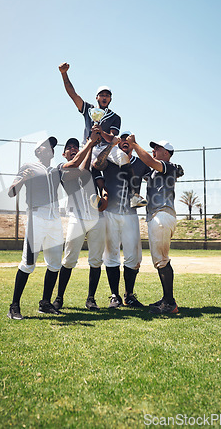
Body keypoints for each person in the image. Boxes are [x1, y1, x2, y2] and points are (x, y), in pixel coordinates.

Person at [7, 130, 100, 319]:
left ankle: (45, 303)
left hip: (54, 219)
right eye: (46, 145)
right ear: (38, 151)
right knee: (28, 263)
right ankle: (14, 306)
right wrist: (23, 179)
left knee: (55, 264)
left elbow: (74, 164)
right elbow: (11, 192)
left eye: (52, 145)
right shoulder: (29, 166)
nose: (50, 147)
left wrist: (90, 144)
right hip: (36, 218)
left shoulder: (57, 169)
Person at [58, 62, 146, 208]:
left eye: (107, 95)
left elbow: (113, 139)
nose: (104, 97)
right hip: (88, 146)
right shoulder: (88, 109)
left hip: (107, 147)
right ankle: (92, 197)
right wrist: (64, 74)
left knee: (124, 158)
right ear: (97, 97)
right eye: (102, 95)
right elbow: (73, 94)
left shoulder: (115, 117)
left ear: (110, 99)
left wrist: (100, 131)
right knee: (83, 170)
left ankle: (134, 196)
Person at [126, 135, 184, 314]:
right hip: (156, 217)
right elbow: (140, 166)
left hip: (162, 215)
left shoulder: (169, 166)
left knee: (161, 261)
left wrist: (134, 145)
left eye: (157, 148)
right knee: (160, 260)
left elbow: (149, 161)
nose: (153, 151)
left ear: (166, 153)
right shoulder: (153, 171)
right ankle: (166, 299)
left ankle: (170, 304)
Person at [93, 131, 151, 308]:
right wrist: (111, 144)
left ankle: (129, 295)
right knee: (111, 256)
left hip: (130, 214)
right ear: (118, 143)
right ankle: (114, 295)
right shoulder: (109, 159)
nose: (125, 141)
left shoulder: (140, 162)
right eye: (122, 139)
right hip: (110, 212)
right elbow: (96, 165)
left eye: (129, 139)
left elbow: (155, 175)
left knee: (133, 257)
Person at [52, 137, 108, 311]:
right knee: (69, 260)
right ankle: (59, 298)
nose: (73, 149)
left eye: (76, 146)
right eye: (69, 147)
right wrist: (89, 145)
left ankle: (91, 299)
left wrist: (104, 198)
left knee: (96, 261)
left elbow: (102, 187)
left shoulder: (93, 167)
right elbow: (79, 168)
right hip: (76, 217)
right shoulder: (62, 168)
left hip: (97, 218)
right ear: (64, 153)